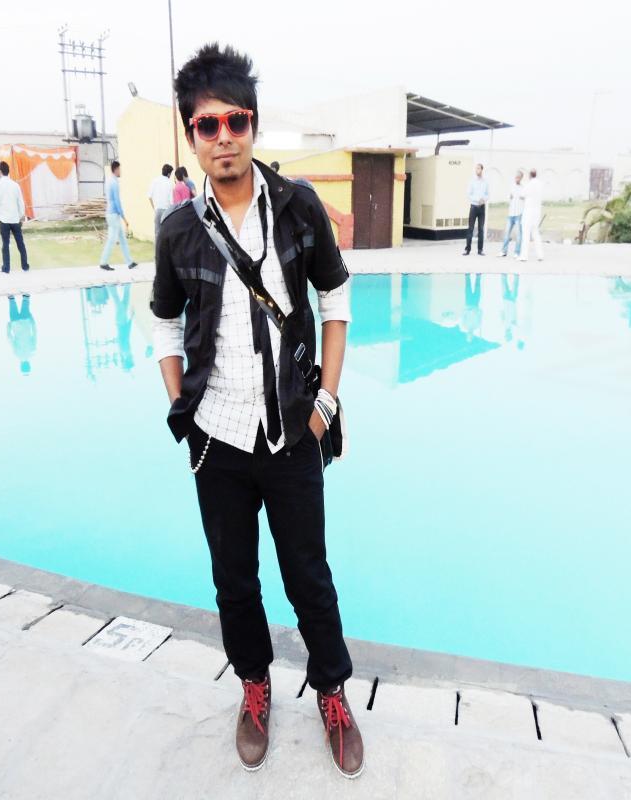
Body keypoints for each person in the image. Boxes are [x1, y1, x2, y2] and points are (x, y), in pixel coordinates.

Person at [151, 43, 363, 778]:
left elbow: (336, 297)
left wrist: (325, 401)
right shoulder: (178, 230)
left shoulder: (298, 207)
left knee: (309, 576)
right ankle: (254, 685)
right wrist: (181, 409)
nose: (224, 137)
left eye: (235, 121)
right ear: (192, 136)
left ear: (253, 124)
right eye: (207, 125)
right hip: (217, 441)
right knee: (234, 580)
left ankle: (331, 692)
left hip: (293, 433)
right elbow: (164, 324)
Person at [0, 162, 29, 273]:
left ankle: (6, 268)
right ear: (9, 171)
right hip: (15, 219)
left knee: (5, 244)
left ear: (0, 172)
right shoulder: (15, 185)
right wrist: (21, 215)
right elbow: (20, 202)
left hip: (4, 219)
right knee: (20, 243)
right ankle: (25, 266)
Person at [100, 160, 137, 271]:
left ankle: (130, 262)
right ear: (115, 169)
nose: (120, 171)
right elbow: (117, 201)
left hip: (111, 213)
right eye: (119, 169)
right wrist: (124, 217)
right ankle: (103, 262)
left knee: (122, 239)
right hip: (113, 214)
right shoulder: (114, 183)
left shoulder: (109, 181)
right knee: (112, 239)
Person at [497, 170, 524, 258]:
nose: (517, 179)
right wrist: (509, 196)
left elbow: (525, 200)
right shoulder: (511, 186)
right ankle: (503, 251)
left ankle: (517, 252)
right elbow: (507, 197)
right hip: (511, 214)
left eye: (518, 177)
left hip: (519, 214)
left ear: (521, 178)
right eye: (516, 177)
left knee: (519, 234)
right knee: (507, 233)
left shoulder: (523, 188)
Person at [7, 293, 36, 374]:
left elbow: (34, 334)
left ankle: (25, 297)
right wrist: (8, 328)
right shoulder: (17, 354)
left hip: (26, 323)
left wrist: (33, 322)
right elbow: (10, 339)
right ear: (21, 366)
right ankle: (11, 297)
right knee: (12, 301)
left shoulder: (32, 351)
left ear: (29, 365)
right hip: (15, 324)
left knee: (25, 300)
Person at [518, 169, 544, 262]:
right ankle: (540, 255)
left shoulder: (529, 184)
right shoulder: (540, 184)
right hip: (537, 211)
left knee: (526, 233)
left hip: (528, 211)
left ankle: (524, 256)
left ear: (530, 175)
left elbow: (522, 194)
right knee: (536, 233)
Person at [463, 163, 489, 255]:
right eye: (476, 168)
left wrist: (484, 199)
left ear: (482, 170)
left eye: (478, 168)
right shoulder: (472, 181)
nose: (477, 170)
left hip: (482, 208)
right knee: (470, 228)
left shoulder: (485, 182)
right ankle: (467, 249)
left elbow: (487, 194)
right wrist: (477, 200)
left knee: (481, 229)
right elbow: (468, 194)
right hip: (474, 207)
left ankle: (480, 250)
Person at [148, 164, 174, 240]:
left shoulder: (155, 181)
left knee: (157, 233)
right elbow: (172, 201)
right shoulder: (170, 183)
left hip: (157, 210)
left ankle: (157, 248)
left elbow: (149, 196)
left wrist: (154, 208)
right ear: (169, 174)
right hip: (166, 211)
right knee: (167, 234)